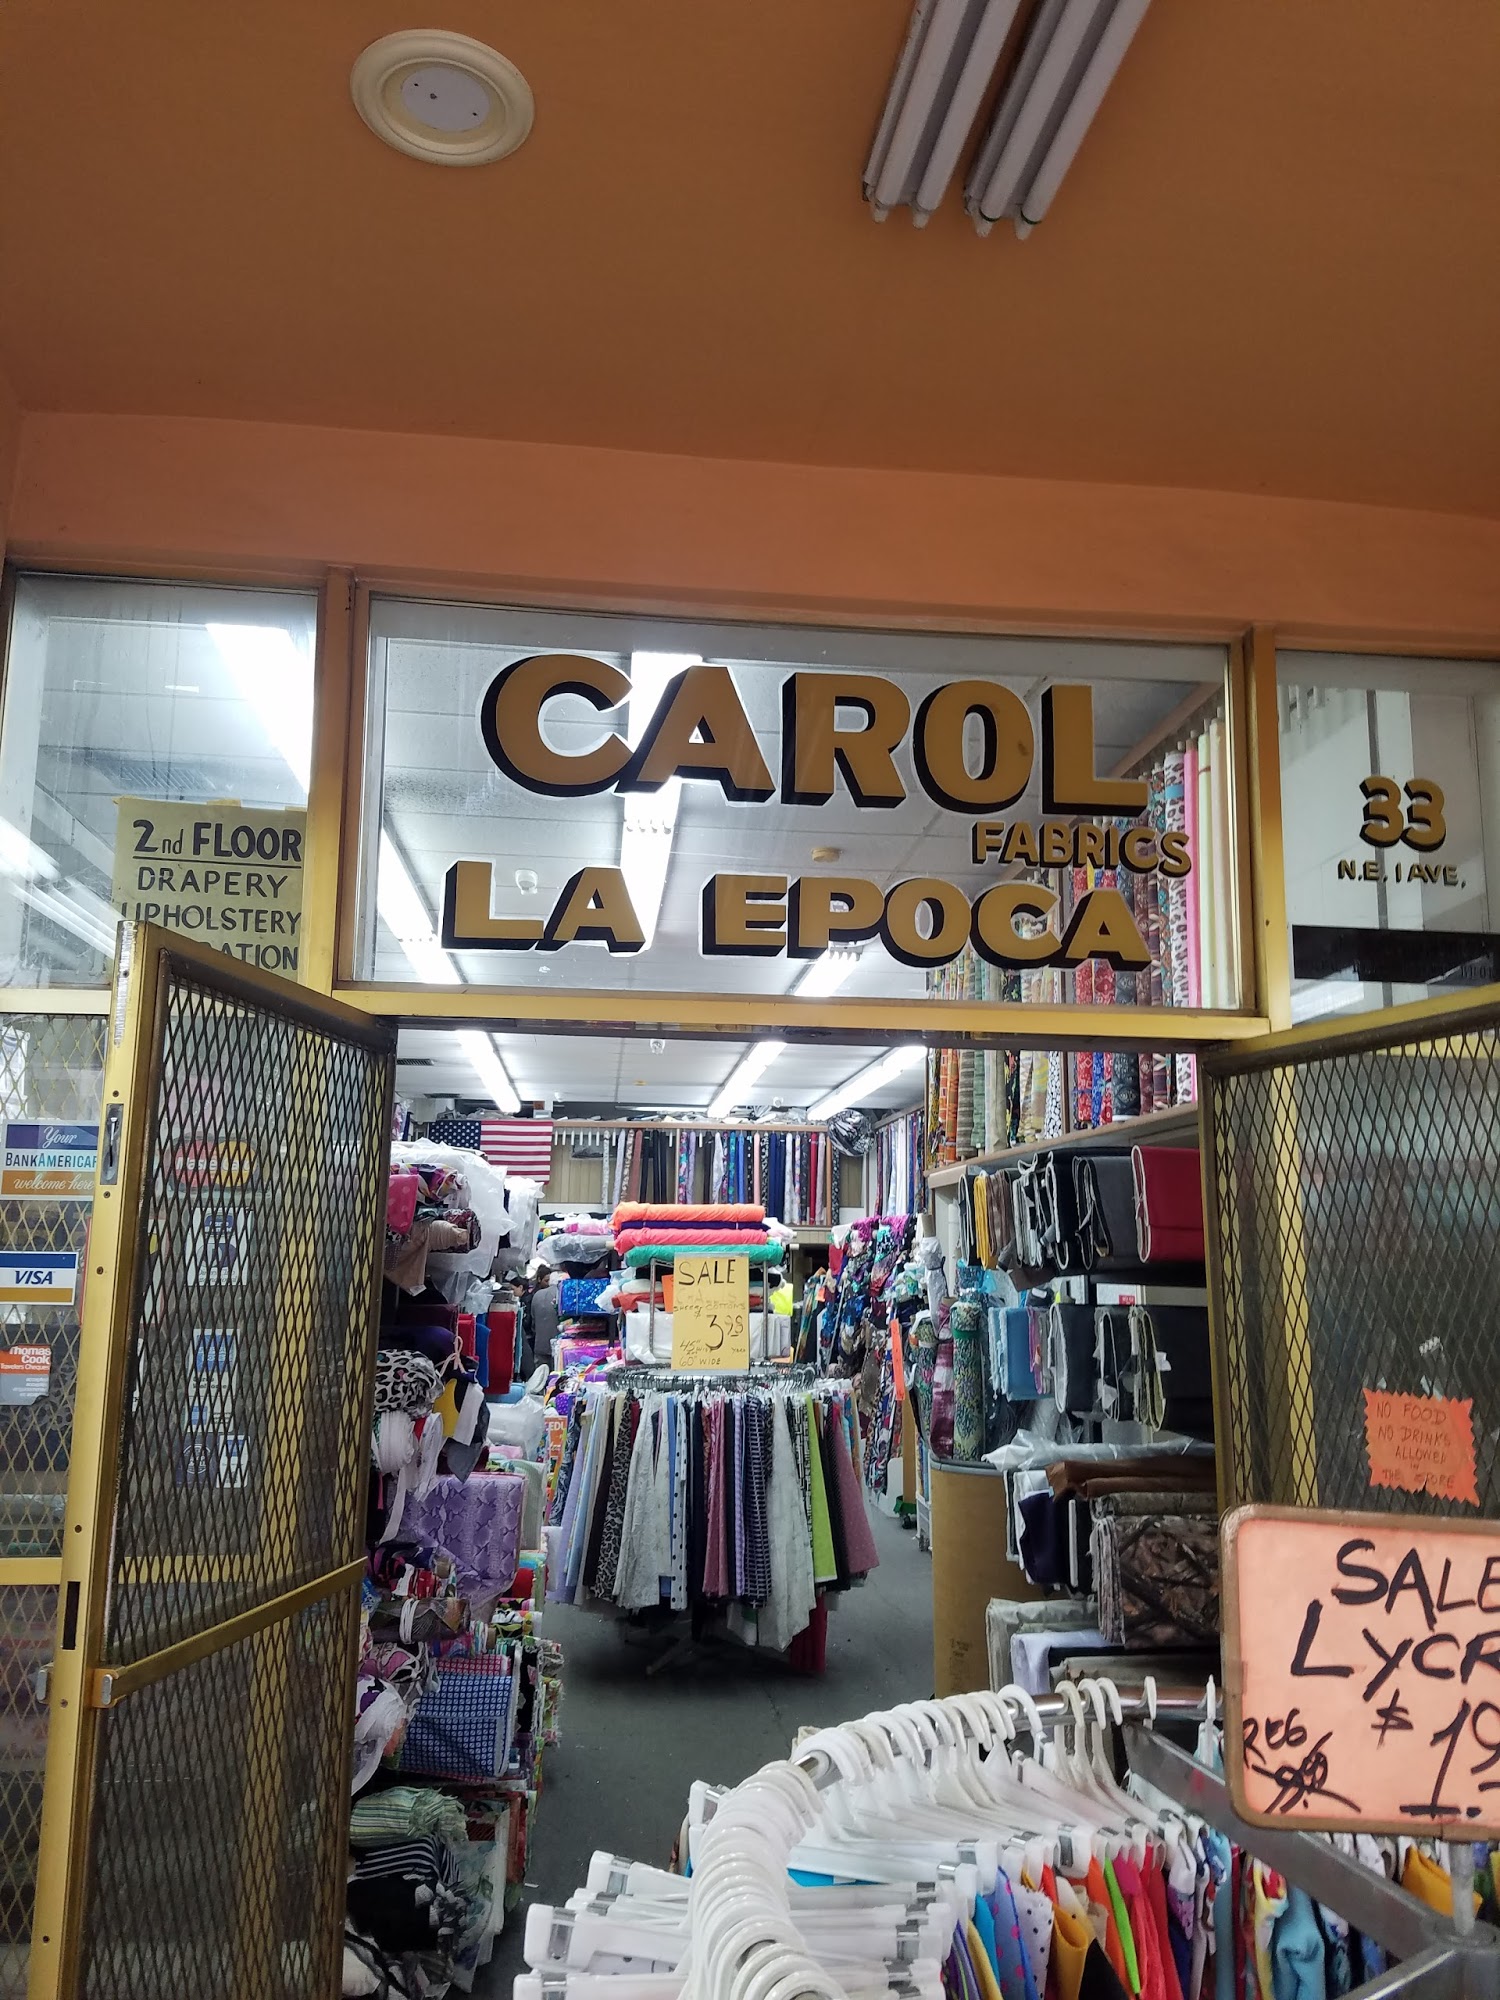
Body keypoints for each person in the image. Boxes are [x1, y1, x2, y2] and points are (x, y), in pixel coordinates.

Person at [527, 1268, 559, 1370]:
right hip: (557, 1344)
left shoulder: (537, 1295)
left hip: (540, 1344)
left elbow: (533, 1321)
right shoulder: (561, 1294)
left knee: (541, 1374)